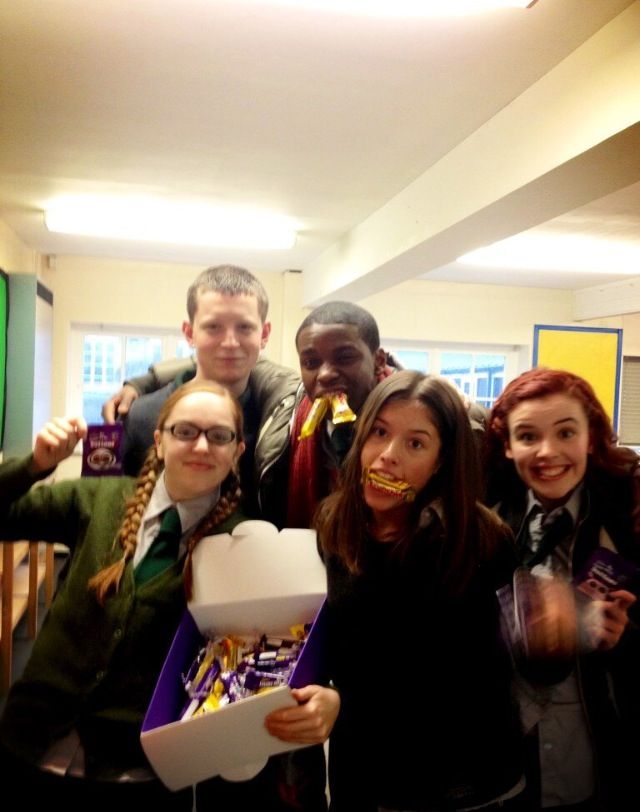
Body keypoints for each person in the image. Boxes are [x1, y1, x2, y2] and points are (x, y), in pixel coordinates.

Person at [279, 370, 527, 812]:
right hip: (362, 781)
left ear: (441, 461)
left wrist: (344, 703)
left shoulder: (481, 540)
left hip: (462, 788)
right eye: (379, 433)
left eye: (415, 444)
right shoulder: (334, 526)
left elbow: (463, 680)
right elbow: (343, 643)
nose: (387, 456)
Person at [0, 380, 246, 809]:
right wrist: (33, 466)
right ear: (159, 440)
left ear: (237, 451)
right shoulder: (100, 498)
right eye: (185, 431)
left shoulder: (242, 544)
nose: (201, 446)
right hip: (29, 742)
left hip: (138, 770)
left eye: (219, 435)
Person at [485, 367, 640, 812]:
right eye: (528, 436)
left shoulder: (628, 525)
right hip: (505, 763)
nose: (547, 452)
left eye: (566, 432)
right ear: (508, 446)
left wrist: (623, 639)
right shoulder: (487, 525)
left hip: (595, 756)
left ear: (590, 437)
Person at [103, 264, 299, 525]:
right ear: (189, 333)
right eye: (213, 327)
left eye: (244, 327)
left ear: (264, 334)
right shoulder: (139, 416)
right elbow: (101, 514)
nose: (230, 342)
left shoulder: (279, 424)